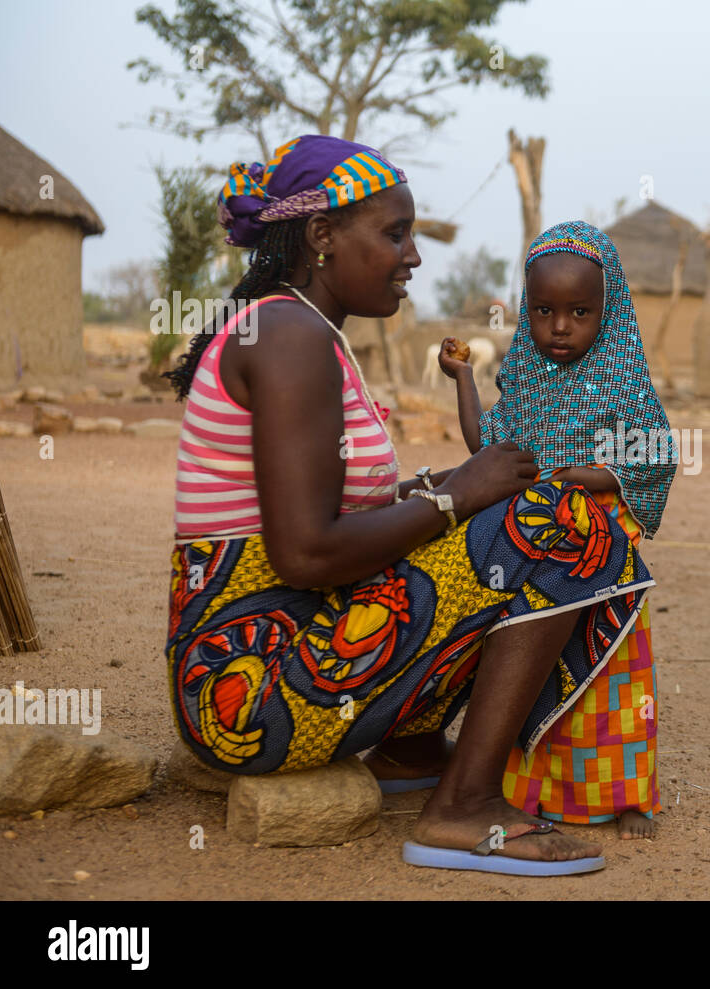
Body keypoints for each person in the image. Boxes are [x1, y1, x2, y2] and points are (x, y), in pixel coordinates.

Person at [164, 137, 654, 875]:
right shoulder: (291, 336)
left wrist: (455, 493)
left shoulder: (301, 329)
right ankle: (463, 807)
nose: (414, 256)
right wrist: (457, 498)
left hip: (262, 669)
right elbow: (304, 554)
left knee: (511, 511)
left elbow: (333, 520)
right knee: (559, 521)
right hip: (245, 698)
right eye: (395, 234)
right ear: (323, 236)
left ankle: (411, 746)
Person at [438, 220, 676, 839]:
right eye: (542, 311)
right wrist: (464, 379)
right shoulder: (524, 382)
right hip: (537, 561)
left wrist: (597, 477)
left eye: (578, 311)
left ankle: (627, 799)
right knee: (531, 673)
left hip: (605, 562)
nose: (560, 327)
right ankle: (533, 792)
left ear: (610, 310)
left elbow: (656, 455)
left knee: (611, 683)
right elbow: (487, 451)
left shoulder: (625, 384)